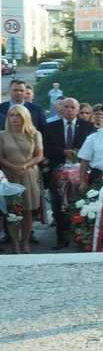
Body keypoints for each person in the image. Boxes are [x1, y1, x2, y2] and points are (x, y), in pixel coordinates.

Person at [43, 98, 95, 248]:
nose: (69, 110)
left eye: (73, 107)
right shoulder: (50, 127)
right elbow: (45, 148)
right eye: (66, 107)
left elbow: (92, 148)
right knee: (59, 207)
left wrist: (79, 152)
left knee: (80, 205)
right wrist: (62, 152)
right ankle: (61, 238)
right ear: (61, 109)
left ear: (78, 110)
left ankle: (81, 237)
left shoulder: (88, 127)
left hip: (81, 173)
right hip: (57, 174)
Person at [0, 105, 44, 253]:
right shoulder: (2, 135)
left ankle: (25, 242)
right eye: (11, 115)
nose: (14, 118)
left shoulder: (34, 134)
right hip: (9, 176)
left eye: (17, 115)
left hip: (28, 175)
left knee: (27, 211)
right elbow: (0, 158)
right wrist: (13, 167)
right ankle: (14, 243)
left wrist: (25, 166)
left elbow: (39, 155)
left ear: (25, 117)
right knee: (12, 211)